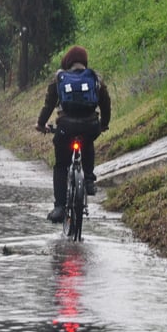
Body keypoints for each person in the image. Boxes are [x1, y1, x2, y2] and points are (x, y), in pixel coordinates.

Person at [35, 45, 112, 223]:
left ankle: (60, 207)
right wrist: (103, 124)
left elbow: (48, 105)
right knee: (87, 143)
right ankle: (89, 181)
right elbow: (106, 104)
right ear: (84, 61)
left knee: (61, 164)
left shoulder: (59, 78)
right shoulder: (95, 78)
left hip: (65, 128)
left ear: (67, 62)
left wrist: (40, 124)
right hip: (90, 126)